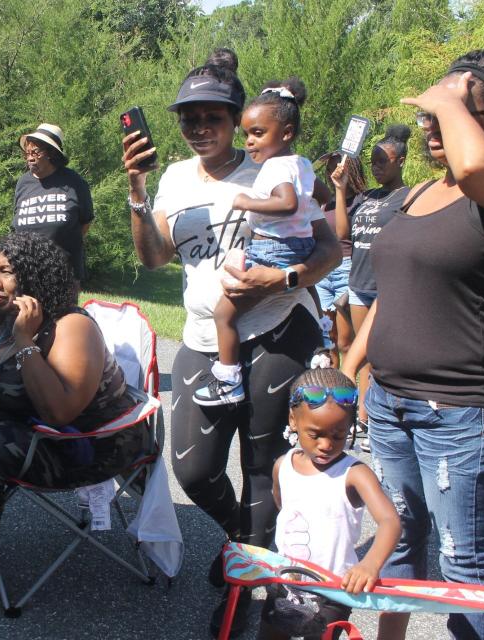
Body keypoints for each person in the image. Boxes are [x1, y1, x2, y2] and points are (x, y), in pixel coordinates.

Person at [121, 51, 341, 636]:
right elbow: (154, 257)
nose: (199, 127)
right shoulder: (172, 177)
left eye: (212, 116)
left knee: (261, 469)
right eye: (188, 117)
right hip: (202, 335)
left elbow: (330, 249)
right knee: (193, 471)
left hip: (274, 329)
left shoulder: (276, 165)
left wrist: (285, 278)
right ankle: (246, 548)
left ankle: (249, 592)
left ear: (236, 116)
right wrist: (138, 193)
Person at [343, 49, 484, 640]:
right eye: (430, 113)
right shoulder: (418, 193)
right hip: (391, 404)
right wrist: (352, 367)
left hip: (460, 411)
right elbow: (391, 293)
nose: (432, 121)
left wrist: (448, 96)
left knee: (463, 565)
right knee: (396, 544)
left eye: (457, 105)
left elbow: (477, 170)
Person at [0, 231, 150, 621]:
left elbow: (60, 411)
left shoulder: (72, 326)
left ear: (34, 276)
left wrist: (24, 341)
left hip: (84, 446)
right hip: (28, 429)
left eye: (8, 272)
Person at [193, 77, 322, 407]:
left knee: (224, 314)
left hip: (273, 250)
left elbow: (288, 203)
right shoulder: (301, 163)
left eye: (258, 134)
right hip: (297, 246)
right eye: (247, 134)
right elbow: (314, 198)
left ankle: (228, 377)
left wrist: (245, 201)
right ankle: (322, 337)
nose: (250, 142)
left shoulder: (276, 167)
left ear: (287, 133)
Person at [260, 367, 400, 640]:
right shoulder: (283, 466)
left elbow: (391, 522)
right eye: (316, 434)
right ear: (293, 420)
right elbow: (282, 504)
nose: (326, 444)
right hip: (287, 580)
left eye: (338, 436)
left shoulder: (355, 474)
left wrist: (370, 564)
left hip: (333, 589)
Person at [332, 125, 411, 453]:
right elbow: (342, 233)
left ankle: (378, 419)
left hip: (387, 287)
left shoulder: (409, 197)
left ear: (401, 161)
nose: (377, 167)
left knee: (380, 356)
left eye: (384, 161)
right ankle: (364, 418)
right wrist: (340, 190)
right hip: (360, 284)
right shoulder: (367, 197)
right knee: (358, 355)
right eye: (374, 161)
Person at [12, 123, 93, 285]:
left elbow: (86, 222)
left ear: (51, 153)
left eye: (35, 152)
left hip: (63, 274)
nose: (29, 157)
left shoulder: (74, 182)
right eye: (27, 152)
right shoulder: (23, 183)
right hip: (26, 272)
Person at [314, 152, 365, 368]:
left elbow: (344, 234)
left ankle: (349, 389)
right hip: (323, 271)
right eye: (330, 168)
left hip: (346, 268)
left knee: (346, 341)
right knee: (330, 340)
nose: (332, 171)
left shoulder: (362, 200)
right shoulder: (326, 204)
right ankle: (333, 391)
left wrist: (340, 189)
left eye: (338, 166)